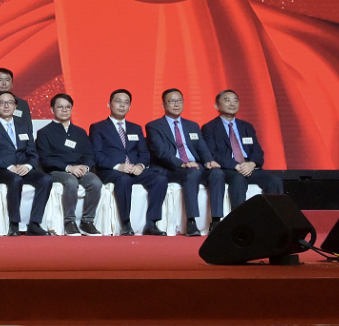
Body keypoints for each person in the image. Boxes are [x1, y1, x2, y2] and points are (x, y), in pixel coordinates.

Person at [147, 88, 224, 237]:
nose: (176, 104)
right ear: (163, 105)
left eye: (179, 101)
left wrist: (209, 161)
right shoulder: (154, 126)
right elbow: (161, 152)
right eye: (172, 101)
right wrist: (181, 163)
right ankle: (191, 222)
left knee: (217, 173)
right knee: (192, 173)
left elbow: (202, 148)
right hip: (171, 168)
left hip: (194, 166)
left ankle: (216, 221)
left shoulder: (192, 125)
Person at [92, 89, 169, 236]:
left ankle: (152, 223)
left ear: (130, 107)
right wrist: (118, 166)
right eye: (118, 101)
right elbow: (97, 154)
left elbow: (144, 153)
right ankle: (126, 223)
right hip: (111, 171)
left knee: (160, 179)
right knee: (124, 179)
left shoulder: (136, 128)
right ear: (109, 104)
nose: (122, 105)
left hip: (134, 169)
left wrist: (140, 165)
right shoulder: (98, 127)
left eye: (126, 102)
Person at [0, 91, 53, 236]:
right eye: (2, 103)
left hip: (23, 167)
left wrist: (28, 166)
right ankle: (14, 224)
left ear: (15, 106)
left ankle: (34, 223)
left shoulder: (23, 126)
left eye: (10, 102)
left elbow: (33, 152)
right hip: (0, 169)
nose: (6, 106)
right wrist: (9, 166)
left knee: (46, 179)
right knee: (15, 179)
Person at [203, 90, 285, 211]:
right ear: (217, 106)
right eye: (227, 100)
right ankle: (239, 219)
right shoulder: (209, 127)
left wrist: (252, 164)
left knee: (274, 180)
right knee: (238, 179)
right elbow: (212, 153)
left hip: (248, 167)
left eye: (235, 100)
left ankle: (274, 217)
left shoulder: (246, 126)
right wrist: (235, 165)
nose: (232, 104)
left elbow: (257, 151)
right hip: (228, 169)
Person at [36, 93, 102, 235]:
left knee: (95, 182)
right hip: (56, 171)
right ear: (52, 110)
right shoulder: (44, 132)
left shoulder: (80, 132)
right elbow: (45, 159)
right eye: (60, 107)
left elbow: (89, 155)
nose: (64, 110)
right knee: (71, 181)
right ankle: (69, 222)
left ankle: (87, 221)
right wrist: (69, 168)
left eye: (68, 107)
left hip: (80, 169)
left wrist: (85, 167)